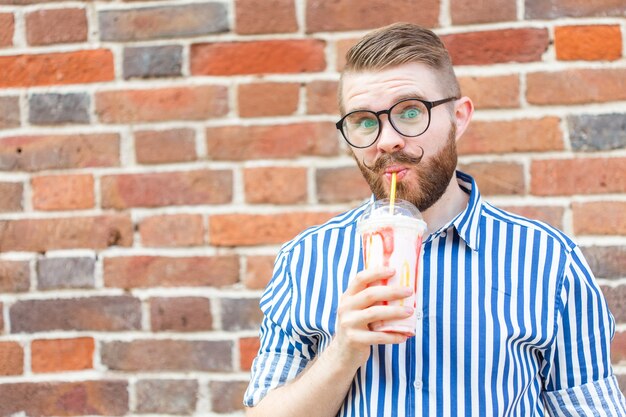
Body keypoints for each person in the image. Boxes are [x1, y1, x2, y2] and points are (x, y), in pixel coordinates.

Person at [243, 23, 626, 416]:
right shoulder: (306, 259)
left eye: (410, 112)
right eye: (363, 120)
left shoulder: (548, 260)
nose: (386, 140)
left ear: (459, 117)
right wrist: (342, 354)